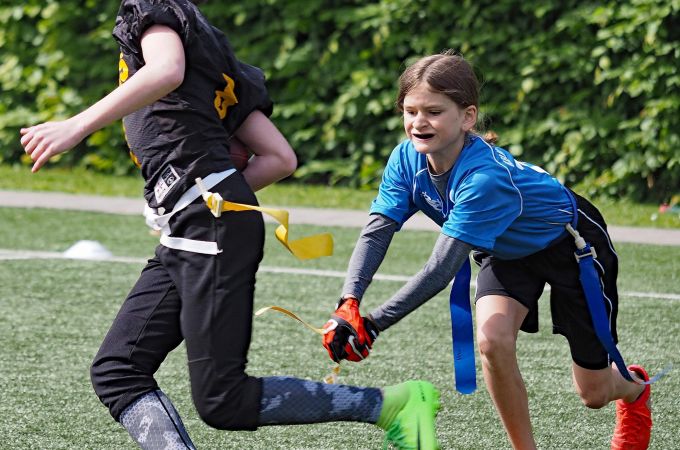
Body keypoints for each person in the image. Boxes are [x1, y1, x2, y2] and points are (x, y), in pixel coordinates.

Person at [19, 1, 441, 448]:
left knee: (222, 399)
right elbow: (280, 159)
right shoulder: (211, 48)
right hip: (198, 219)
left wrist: (77, 125)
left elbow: (165, 71)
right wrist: (186, 199)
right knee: (117, 369)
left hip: (207, 224)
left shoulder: (155, 9)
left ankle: (389, 405)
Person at [322, 51, 653, 450]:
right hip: (504, 251)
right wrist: (349, 303)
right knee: (492, 341)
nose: (418, 122)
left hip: (572, 247)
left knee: (594, 394)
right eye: (410, 111)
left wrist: (372, 325)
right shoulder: (405, 159)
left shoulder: (484, 179)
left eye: (433, 111)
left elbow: (440, 269)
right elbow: (377, 232)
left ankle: (634, 390)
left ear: (467, 117)